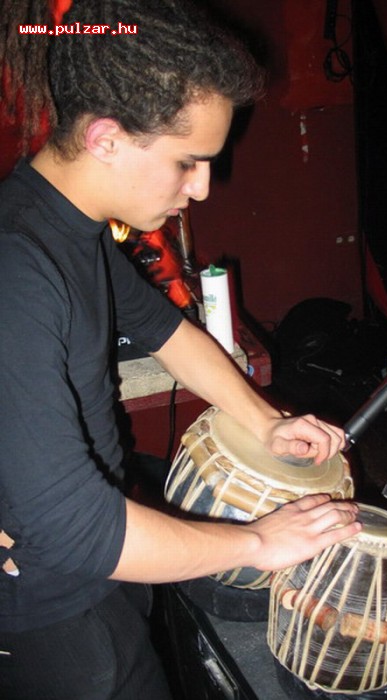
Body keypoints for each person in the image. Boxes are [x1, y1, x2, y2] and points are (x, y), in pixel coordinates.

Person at [0, 2, 361, 698]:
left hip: (96, 580)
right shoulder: (16, 267)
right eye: (186, 162)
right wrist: (262, 541)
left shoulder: (64, 226)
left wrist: (267, 422)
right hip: (52, 616)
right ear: (106, 138)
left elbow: (166, 330)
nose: (200, 187)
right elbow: (78, 530)